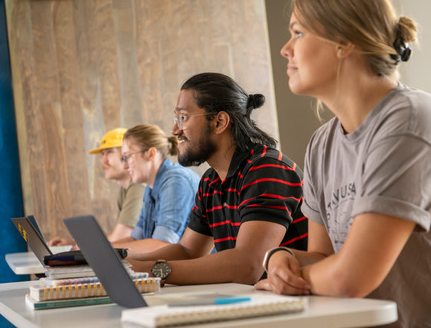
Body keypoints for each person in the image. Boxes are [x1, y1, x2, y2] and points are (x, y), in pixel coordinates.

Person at [254, 0, 431, 327]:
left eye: (298, 33)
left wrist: (293, 279)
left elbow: (350, 278)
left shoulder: (409, 125)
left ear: (343, 42)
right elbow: (326, 259)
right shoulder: (322, 145)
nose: (286, 49)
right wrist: (282, 256)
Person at [127, 72, 308, 285]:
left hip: (300, 307)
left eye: (183, 117)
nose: (175, 130)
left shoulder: (267, 170)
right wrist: (127, 264)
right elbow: (188, 250)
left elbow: (247, 266)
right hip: (257, 301)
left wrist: (152, 270)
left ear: (219, 122)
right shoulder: (210, 182)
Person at [48, 128, 145, 246]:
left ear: (126, 154)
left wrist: (83, 247)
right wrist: (72, 243)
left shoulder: (139, 187)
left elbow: (122, 237)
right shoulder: (125, 190)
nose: (103, 160)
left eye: (109, 152)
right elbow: (117, 236)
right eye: (102, 154)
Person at [112, 124, 200, 254]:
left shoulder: (176, 180)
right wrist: (97, 250)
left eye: (127, 157)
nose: (125, 166)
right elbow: (136, 238)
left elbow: (162, 245)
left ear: (151, 154)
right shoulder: (150, 188)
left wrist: (102, 252)